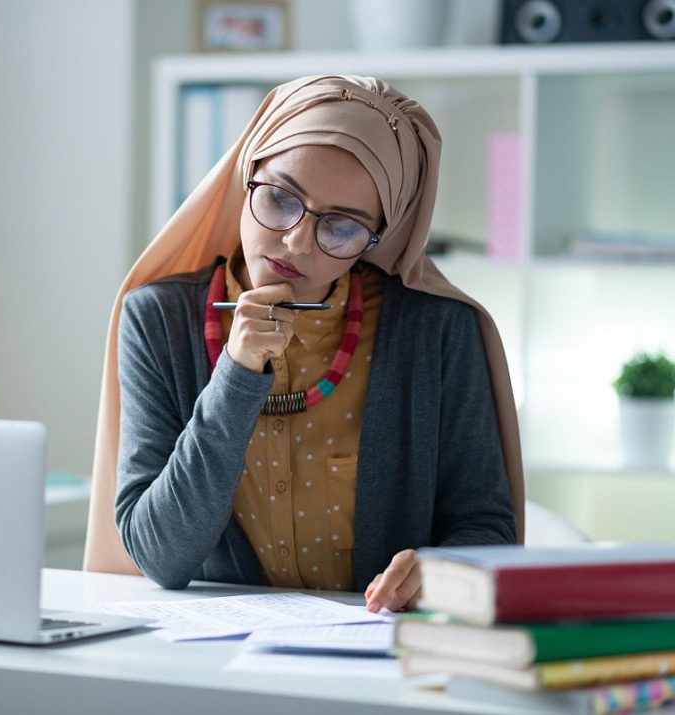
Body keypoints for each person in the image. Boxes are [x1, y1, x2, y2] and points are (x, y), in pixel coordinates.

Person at [84, 75, 524, 613]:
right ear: (246, 176)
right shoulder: (159, 318)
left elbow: (487, 527)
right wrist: (237, 374)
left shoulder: (438, 330)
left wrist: (439, 571)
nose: (295, 241)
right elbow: (160, 555)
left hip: (382, 655)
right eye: (279, 198)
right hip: (211, 659)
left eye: (341, 227)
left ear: (379, 237)